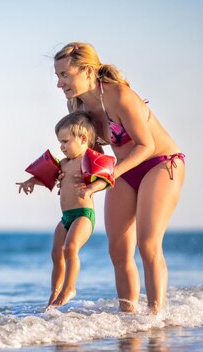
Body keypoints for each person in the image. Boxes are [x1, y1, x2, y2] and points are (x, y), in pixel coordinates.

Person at [53, 42, 185, 314]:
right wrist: (68, 178)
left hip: (160, 164)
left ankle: (155, 318)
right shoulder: (76, 106)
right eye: (57, 76)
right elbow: (92, 154)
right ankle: (129, 320)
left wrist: (111, 174)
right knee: (118, 250)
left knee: (148, 243)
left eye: (64, 75)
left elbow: (145, 145)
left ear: (87, 71)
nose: (59, 83)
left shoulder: (120, 96)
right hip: (123, 169)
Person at [17, 111, 108, 307]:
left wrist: (91, 188)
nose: (62, 146)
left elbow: (106, 179)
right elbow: (47, 178)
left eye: (66, 141)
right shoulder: (64, 164)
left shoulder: (89, 161)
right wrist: (31, 181)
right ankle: (54, 294)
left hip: (83, 215)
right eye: (60, 142)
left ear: (83, 139)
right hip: (66, 217)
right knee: (56, 254)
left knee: (70, 248)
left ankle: (70, 288)